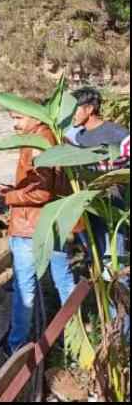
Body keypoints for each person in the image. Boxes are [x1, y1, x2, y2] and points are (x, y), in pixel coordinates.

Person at [2, 110, 79, 354]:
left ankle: (17, 346)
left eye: (18, 118)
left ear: (35, 116)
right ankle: (76, 339)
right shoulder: (56, 137)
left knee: (25, 288)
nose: (15, 124)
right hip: (53, 223)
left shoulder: (38, 143)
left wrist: (8, 196)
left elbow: (41, 193)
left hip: (29, 227)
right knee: (65, 282)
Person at [66, 88, 130, 337]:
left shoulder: (117, 134)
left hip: (114, 214)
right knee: (99, 267)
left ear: (90, 108)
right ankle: (110, 326)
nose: (71, 114)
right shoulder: (76, 138)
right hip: (89, 215)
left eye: (76, 108)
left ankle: (122, 333)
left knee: (116, 269)